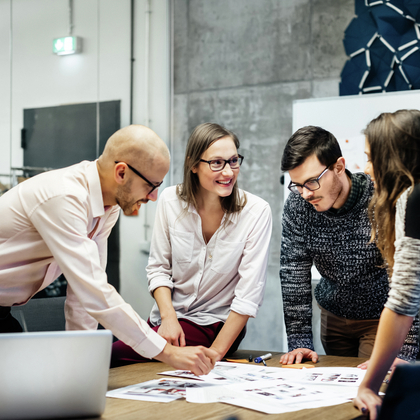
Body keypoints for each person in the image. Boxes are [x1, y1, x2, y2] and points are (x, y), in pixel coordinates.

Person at [0, 125, 217, 376]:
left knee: (28, 388)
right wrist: (168, 352)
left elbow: (84, 297)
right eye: (151, 185)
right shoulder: (64, 197)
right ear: (121, 172)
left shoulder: (107, 208)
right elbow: (95, 292)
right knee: (20, 390)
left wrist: (76, 366)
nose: (155, 196)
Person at [111, 122, 272, 366]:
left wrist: (216, 354)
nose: (228, 172)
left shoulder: (256, 211)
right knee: (112, 346)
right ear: (193, 164)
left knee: (109, 354)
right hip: (167, 321)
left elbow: (248, 295)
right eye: (217, 163)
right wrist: (168, 319)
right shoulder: (170, 201)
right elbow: (158, 269)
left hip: (215, 326)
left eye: (234, 160)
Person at [279, 125, 418, 366]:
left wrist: (406, 351)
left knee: (371, 388)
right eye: (297, 185)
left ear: (339, 167)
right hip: (333, 317)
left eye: (311, 182)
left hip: (380, 318)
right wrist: (299, 340)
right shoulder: (298, 205)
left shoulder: (380, 198)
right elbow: (293, 271)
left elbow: (408, 278)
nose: (304, 194)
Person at [354, 109, 420, 419]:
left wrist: (369, 385)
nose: (367, 169)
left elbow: (403, 302)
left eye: (371, 157)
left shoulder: (414, 197)